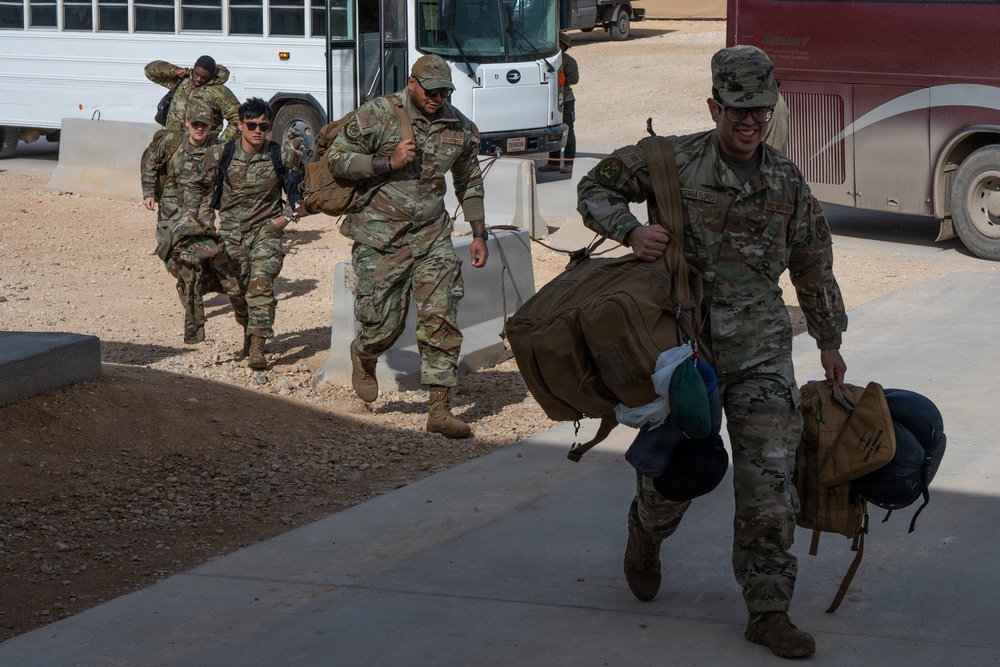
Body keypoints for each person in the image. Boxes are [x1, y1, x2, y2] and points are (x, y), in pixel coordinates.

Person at [576, 45, 848, 659]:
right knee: (685, 473)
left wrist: (830, 341)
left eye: (760, 112)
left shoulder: (785, 180)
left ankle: (769, 610)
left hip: (762, 353)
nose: (749, 124)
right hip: (685, 351)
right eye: (736, 113)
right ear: (713, 107)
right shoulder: (672, 163)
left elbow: (813, 262)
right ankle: (646, 530)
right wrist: (629, 229)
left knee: (771, 481)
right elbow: (594, 187)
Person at [327, 54, 489, 439]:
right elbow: (336, 159)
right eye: (431, 90)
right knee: (384, 323)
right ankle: (365, 353)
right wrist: (387, 161)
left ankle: (439, 408)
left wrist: (479, 233)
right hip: (380, 237)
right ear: (412, 83)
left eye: (444, 91)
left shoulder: (459, 127)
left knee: (442, 313)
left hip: (432, 236)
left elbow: (470, 180)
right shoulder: (378, 115)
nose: (437, 97)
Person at [189, 97, 308, 369]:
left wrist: (286, 218)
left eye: (263, 126)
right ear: (240, 125)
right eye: (252, 124)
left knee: (261, 285)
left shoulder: (282, 155)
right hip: (231, 234)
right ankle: (247, 329)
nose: (257, 131)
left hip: (266, 231)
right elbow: (194, 187)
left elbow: (303, 195)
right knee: (238, 292)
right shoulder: (221, 155)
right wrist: (198, 223)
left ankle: (257, 347)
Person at [141, 100, 239, 344]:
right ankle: (183, 282)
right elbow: (151, 162)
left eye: (203, 125)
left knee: (199, 252)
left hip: (202, 208)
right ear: (186, 124)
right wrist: (148, 191)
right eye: (194, 124)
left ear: (210, 126)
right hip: (172, 208)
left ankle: (193, 286)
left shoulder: (218, 147)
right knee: (168, 253)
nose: (199, 129)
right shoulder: (171, 143)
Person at [145, 55, 241, 142]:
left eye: (204, 77)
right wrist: (173, 70)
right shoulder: (183, 81)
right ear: (193, 68)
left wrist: (221, 143)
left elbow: (238, 118)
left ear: (211, 75)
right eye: (196, 74)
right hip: (172, 142)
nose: (198, 79)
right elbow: (149, 71)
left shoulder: (220, 93)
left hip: (199, 149)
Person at [538, 33, 579, 174]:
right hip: (551, 100)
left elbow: (575, 79)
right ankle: (554, 163)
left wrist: (563, 79)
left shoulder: (568, 61)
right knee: (553, 131)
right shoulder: (546, 61)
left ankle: (569, 163)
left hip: (566, 100)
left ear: (562, 45)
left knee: (568, 131)